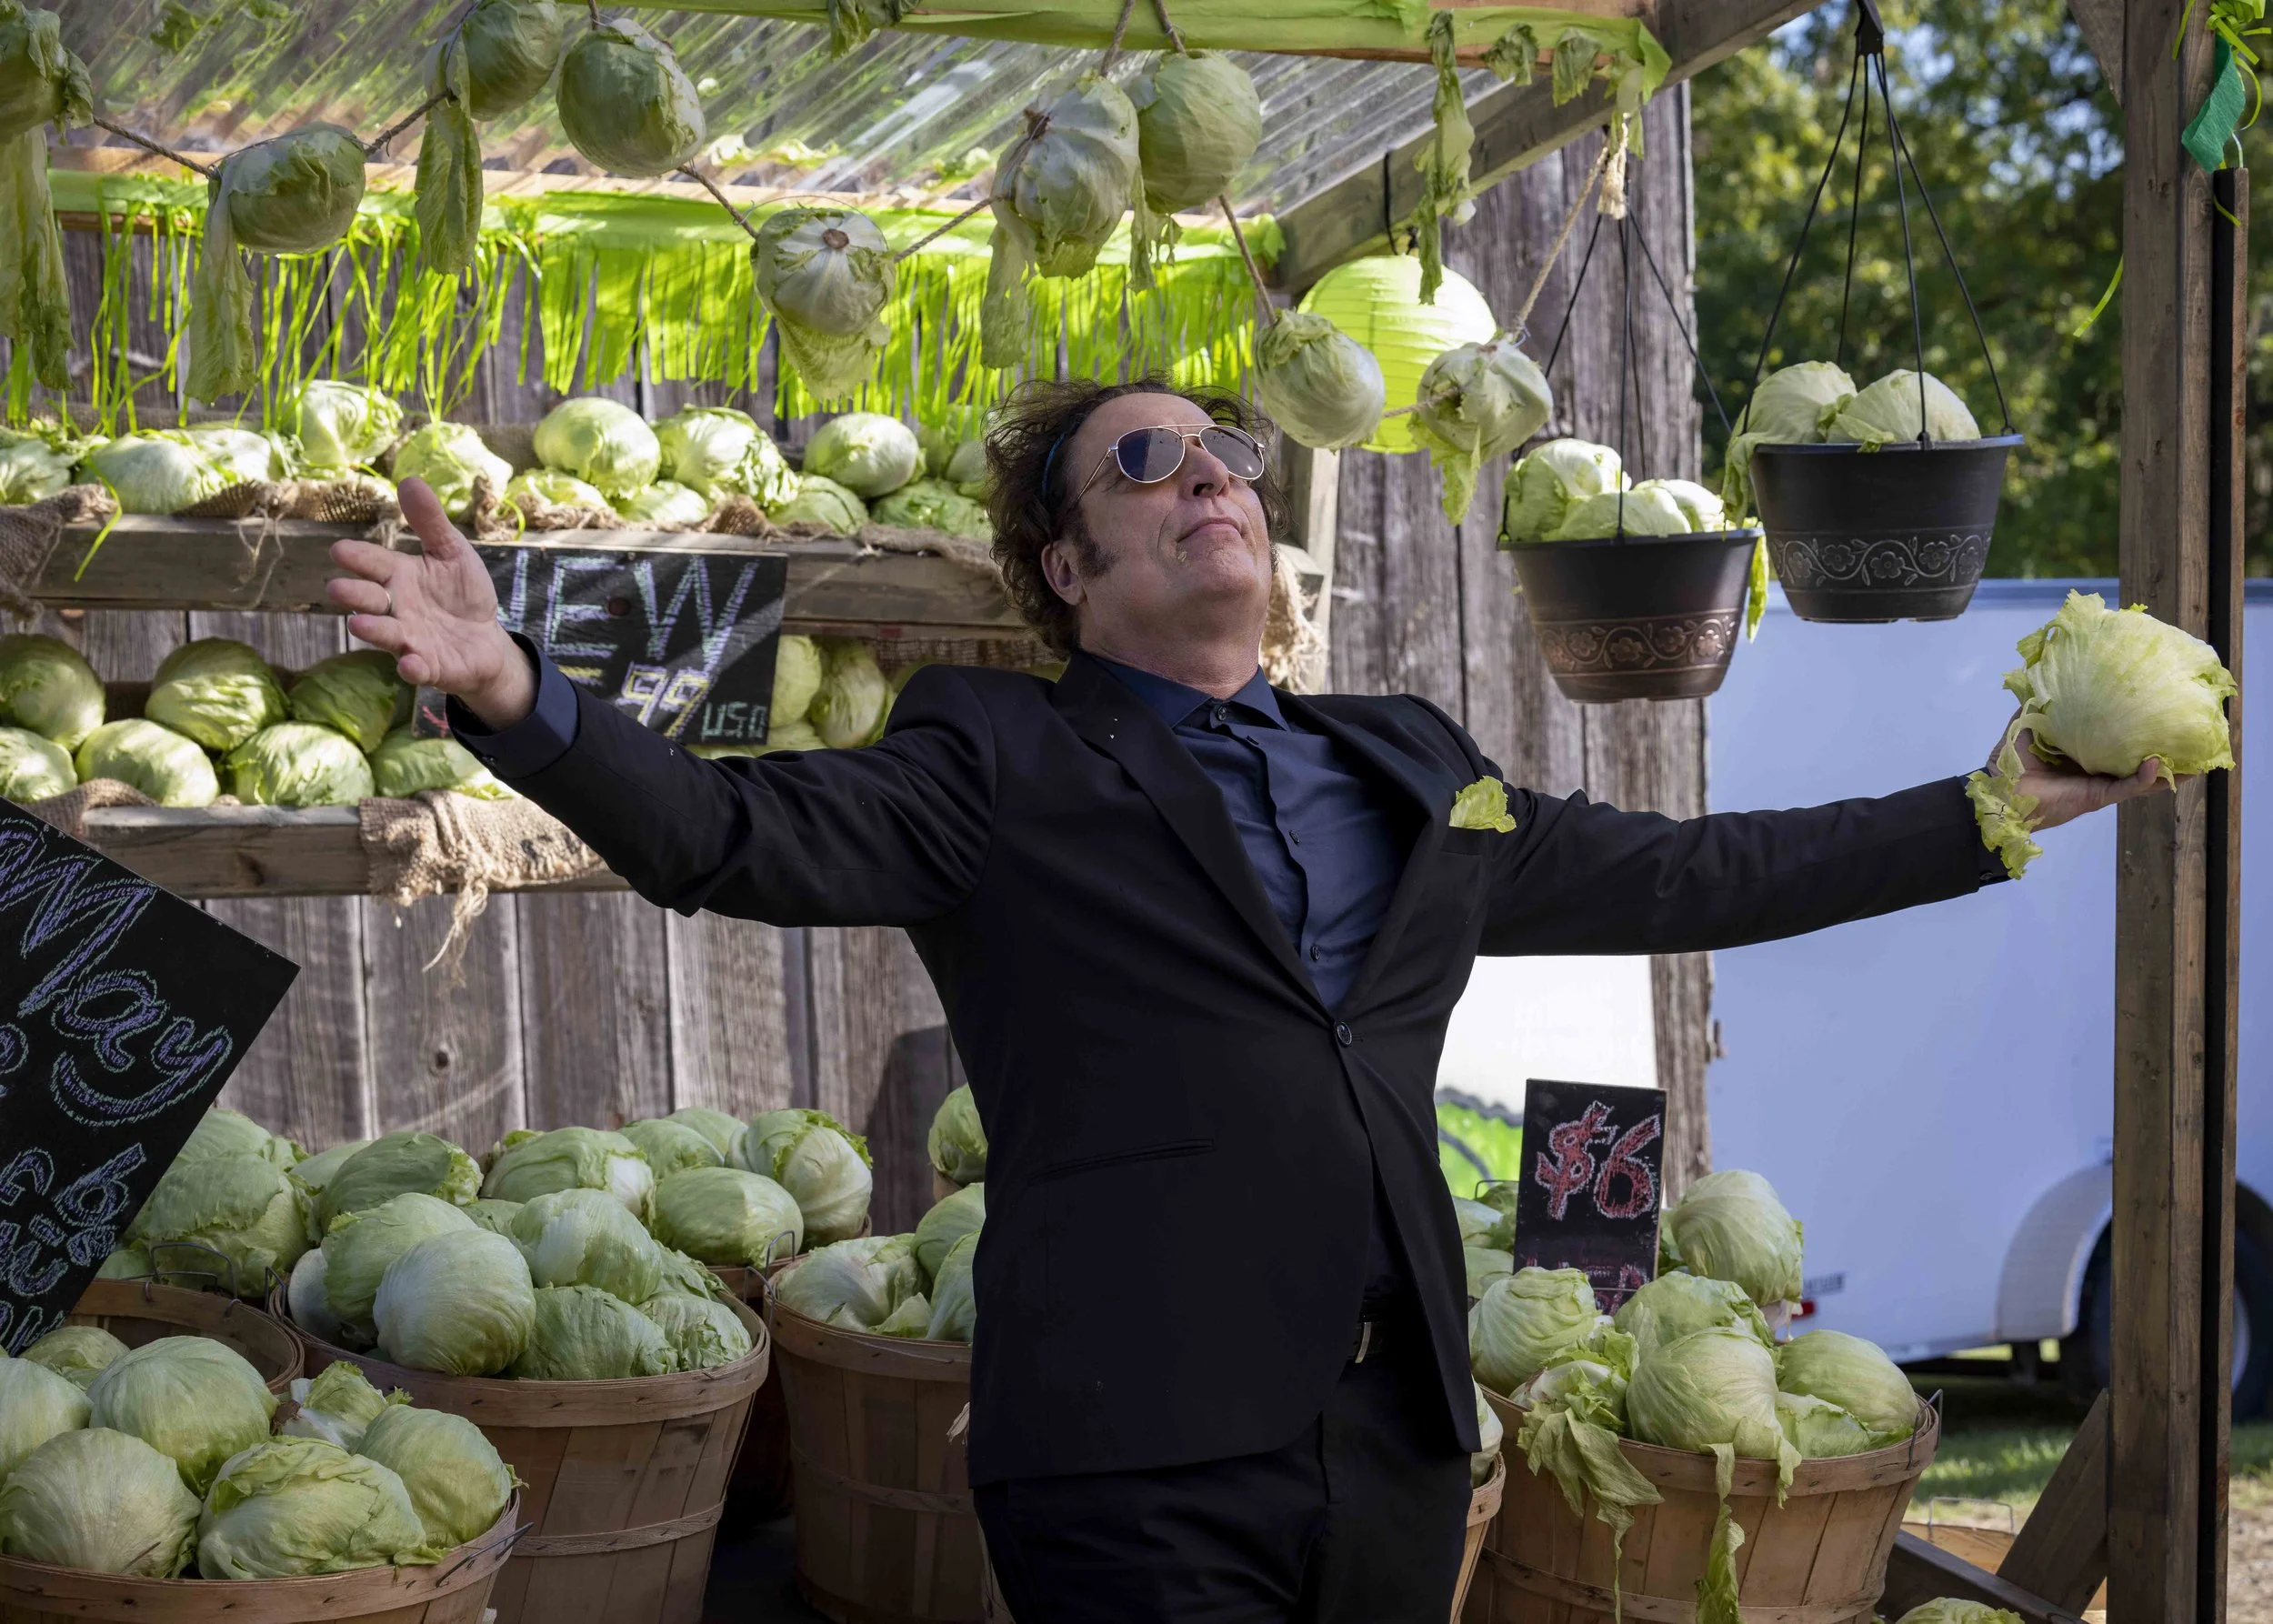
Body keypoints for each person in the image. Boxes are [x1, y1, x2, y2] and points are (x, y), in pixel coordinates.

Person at [327, 378, 2168, 1623]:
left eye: (1222, 452)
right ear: (1064, 568)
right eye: (1146, 464)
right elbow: (727, 833)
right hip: (1131, 1447)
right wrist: (516, 695)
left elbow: (1686, 874)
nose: (1207, 473)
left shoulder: (1406, 761)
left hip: (1385, 1443)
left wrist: (1986, 808)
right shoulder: (991, 755)